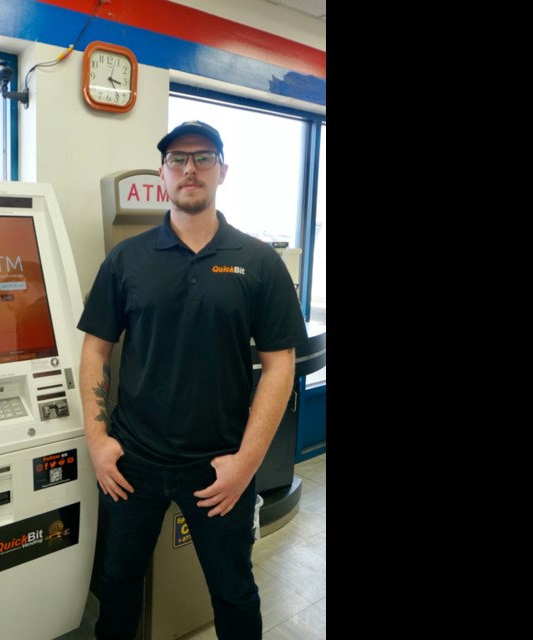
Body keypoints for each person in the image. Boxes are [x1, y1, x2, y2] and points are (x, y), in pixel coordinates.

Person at [77, 120, 309, 640]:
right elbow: (95, 349)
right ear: (162, 173)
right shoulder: (126, 260)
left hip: (217, 469)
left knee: (233, 592)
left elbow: (280, 364)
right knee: (116, 587)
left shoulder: (258, 262)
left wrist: (246, 465)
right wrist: (97, 440)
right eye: (178, 159)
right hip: (132, 464)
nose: (190, 169)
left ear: (223, 171)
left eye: (203, 158)